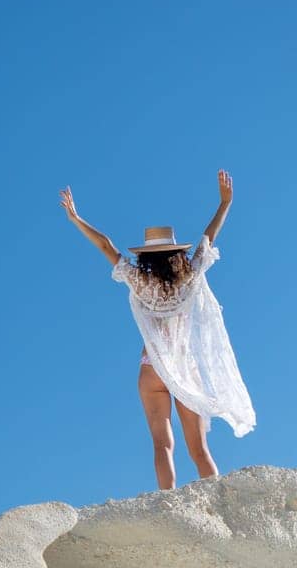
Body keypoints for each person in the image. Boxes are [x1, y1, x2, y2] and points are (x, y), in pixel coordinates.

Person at [60, 170, 256, 489]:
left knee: (162, 444)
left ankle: (168, 501)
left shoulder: (140, 282)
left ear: (147, 257)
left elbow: (107, 246)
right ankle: (219, 500)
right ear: (177, 253)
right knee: (199, 449)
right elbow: (209, 239)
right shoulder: (188, 278)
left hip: (151, 368)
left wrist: (76, 219)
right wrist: (224, 204)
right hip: (182, 367)